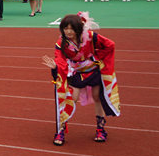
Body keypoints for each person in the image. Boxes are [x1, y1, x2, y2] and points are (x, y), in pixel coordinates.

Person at [41, 12, 120, 146]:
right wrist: (55, 67)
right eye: (65, 28)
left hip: (94, 71)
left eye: (71, 28)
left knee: (97, 96)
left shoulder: (90, 37)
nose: (68, 31)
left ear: (78, 28)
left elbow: (110, 45)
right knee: (71, 97)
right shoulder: (62, 43)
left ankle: (100, 128)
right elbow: (60, 59)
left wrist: (95, 58)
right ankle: (61, 129)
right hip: (77, 73)